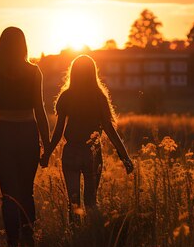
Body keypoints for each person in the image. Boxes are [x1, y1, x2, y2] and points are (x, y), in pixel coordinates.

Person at [0, 27, 49, 247]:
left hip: (3, 134)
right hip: (28, 134)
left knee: (9, 194)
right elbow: (40, 110)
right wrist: (47, 145)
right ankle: (29, 246)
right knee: (27, 193)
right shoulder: (34, 72)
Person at [40, 54, 133, 225]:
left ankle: (75, 239)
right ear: (93, 73)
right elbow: (110, 130)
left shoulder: (66, 96)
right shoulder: (99, 97)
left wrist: (47, 153)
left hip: (71, 152)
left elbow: (59, 131)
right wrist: (124, 157)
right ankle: (92, 237)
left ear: (73, 73)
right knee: (91, 202)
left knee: (73, 203)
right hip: (92, 152)